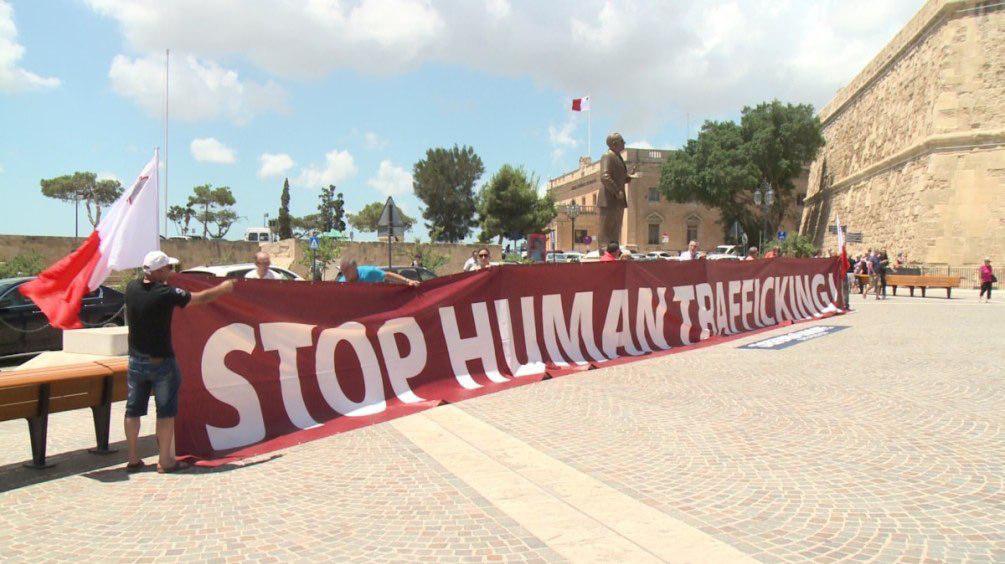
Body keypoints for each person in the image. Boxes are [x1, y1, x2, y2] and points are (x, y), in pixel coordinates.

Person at [124, 251, 235, 474]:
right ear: (156, 271)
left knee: (132, 410)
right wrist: (224, 288)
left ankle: (133, 458)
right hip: (161, 361)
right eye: (167, 269)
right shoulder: (164, 293)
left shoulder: (131, 288)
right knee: (165, 411)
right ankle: (165, 460)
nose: (170, 273)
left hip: (136, 360)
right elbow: (201, 298)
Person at [598, 133, 631, 248]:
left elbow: (617, 177)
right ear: (614, 143)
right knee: (606, 230)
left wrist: (628, 177)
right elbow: (605, 177)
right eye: (622, 141)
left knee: (616, 230)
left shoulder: (619, 157)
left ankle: (614, 251)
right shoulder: (607, 156)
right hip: (609, 199)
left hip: (618, 200)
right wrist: (617, 191)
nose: (624, 143)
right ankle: (604, 253)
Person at [337, 258, 419, 286]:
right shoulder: (341, 283)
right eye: (343, 270)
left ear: (354, 267)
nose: (344, 273)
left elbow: (387, 275)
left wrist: (408, 281)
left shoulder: (369, 272)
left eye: (347, 270)